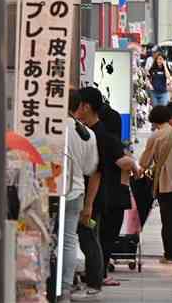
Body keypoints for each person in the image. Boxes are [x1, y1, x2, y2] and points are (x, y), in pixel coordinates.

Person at [70, 87, 141, 291]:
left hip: (95, 195)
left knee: (91, 237)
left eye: (79, 104)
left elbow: (115, 164)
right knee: (90, 236)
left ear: (87, 107)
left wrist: (134, 166)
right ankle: (95, 278)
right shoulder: (91, 133)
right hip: (94, 194)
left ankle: (95, 280)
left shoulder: (97, 135)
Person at [139, 106, 172, 264]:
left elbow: (144, 162)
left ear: (154, 121)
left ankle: (170, 255)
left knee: (168, 220)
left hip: (166, 183)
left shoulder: (155, 136)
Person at [60, 100, 99, 303]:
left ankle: (41, 285)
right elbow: (89, 168)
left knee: (45, 239)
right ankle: (65, 290)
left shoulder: (45, 125)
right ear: (79, 107)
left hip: (43, 192)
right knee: (68, 242)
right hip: (74, 192)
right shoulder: (86, 133)